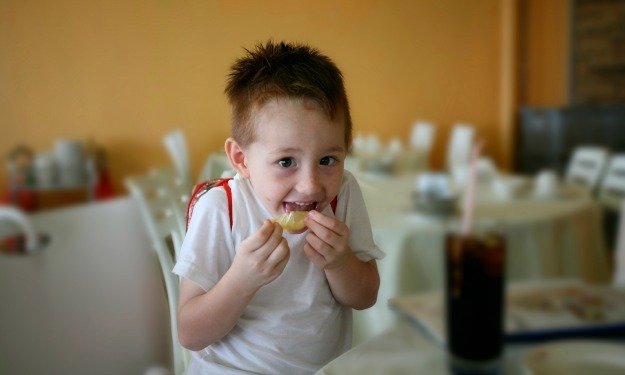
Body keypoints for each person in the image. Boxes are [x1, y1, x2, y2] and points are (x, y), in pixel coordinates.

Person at [173, 40, 384, 374]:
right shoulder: (221, 207)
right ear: (241, 160)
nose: (311, 185)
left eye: (328, 159)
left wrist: (341, 262)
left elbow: (365, 296)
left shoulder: (342, 195)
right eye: (286, 161)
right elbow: (190, 332)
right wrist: (242, 279)